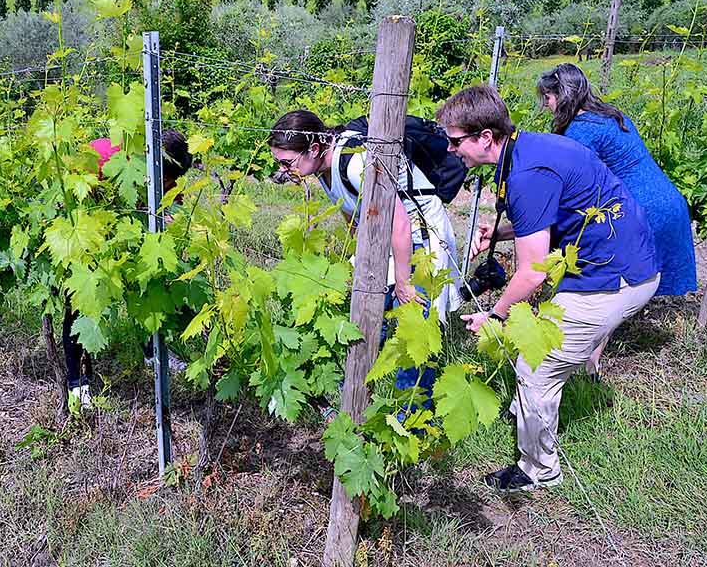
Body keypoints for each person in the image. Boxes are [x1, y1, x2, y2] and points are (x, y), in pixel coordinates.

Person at [439, 85, 659, 493]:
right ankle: (528, 411)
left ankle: (539, 471)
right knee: (542, 350)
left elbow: (532, 274)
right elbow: (548, 217)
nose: (451, 151)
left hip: (615, 278)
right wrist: (503, 233)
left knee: (535, 368)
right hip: (622, 260)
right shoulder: (531, 148)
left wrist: (496, 312)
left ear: (485, 137)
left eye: (455, 141)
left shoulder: (525, 176)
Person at [268, 110, 464, 414]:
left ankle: (412, 418)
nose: (283, 170)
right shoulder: (321, 167)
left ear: (314, 149)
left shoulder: (356, 162)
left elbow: (399, 223)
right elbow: (352, 212)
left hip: (419, 236)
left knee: (413, 331)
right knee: (369, 319)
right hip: (385, 240)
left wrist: (403, 281)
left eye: (286, 162)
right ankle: (358, 398)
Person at [537, 63, 697, 377]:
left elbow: (572, 186)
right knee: (628, 281)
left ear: (561, 95)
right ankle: (590, 358)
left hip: (641, 210)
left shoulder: (579, 132)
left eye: (547, 98)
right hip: (669, 201)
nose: (546, 105)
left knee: (606, 282)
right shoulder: (611, 115)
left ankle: (588, 361)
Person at [64, 130, 194, 407]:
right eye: (165, 180)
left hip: (131, 234)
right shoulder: (99, 156)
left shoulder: (170, 174)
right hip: (86, 229)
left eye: (172, 181)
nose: (168, 185)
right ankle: (78, 384)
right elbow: (72, 195)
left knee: (147, 288)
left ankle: (153, 354)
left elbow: (175, 213)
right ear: (149, 160)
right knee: (80, 303)